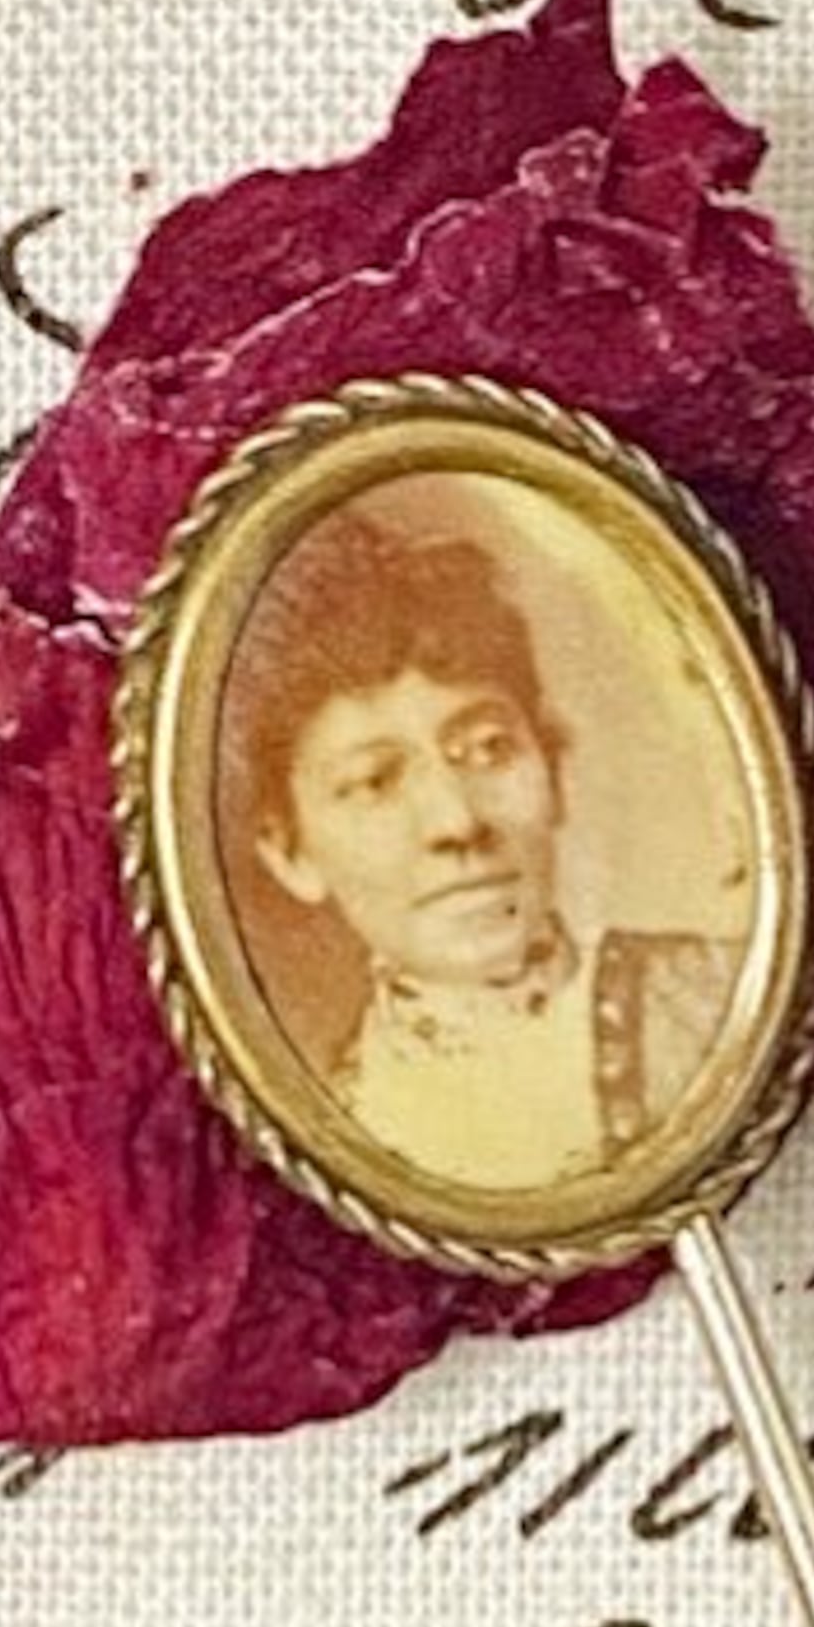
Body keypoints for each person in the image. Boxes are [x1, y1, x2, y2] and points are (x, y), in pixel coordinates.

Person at [230, 511, 737, 1193]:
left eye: (489, 750)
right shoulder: (340, 1136)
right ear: (290, 852)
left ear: (553, 768)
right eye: (375, 782)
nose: (457, 820)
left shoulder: (714, 999)